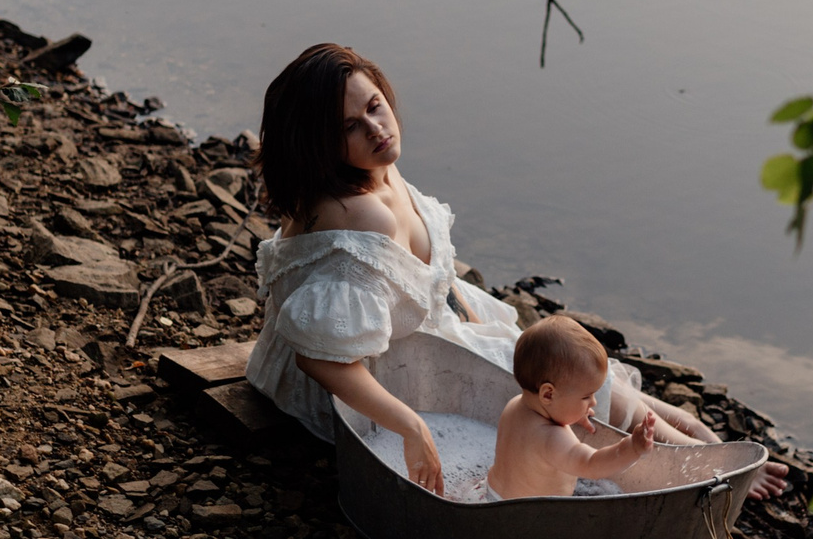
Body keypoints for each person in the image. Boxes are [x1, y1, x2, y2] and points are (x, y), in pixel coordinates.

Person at [242, 43, 759, 494]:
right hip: (366, 387)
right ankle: (702, 471)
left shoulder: (367, 166)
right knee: (562, 401)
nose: (376, 129)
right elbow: (321, 360)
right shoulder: (362, 215)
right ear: (322, 144)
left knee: (575, 377)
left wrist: (476, 320)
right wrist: (412, 429)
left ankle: (707, 450)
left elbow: (413, 276)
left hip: (417, 332)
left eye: (375, 106)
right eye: (350, 127)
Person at [487, 316, 658, 501]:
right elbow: (591, 465)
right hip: (529, 518)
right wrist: (631, 447)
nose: (593, 403)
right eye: (586, 397)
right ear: (548, 395)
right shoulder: (552, 437)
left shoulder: (514, 405)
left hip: (491, 496)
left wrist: (573, 412)